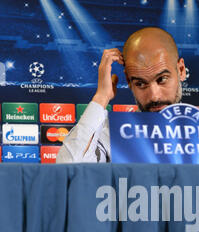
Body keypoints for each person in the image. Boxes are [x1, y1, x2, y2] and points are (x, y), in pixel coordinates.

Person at [56, 27, 186, 163]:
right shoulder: (113, 134)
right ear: (129, 82)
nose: (154, 96)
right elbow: (68, 169)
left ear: (181, 70)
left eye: (162, 79)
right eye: (141, 84)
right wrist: (101, 97)